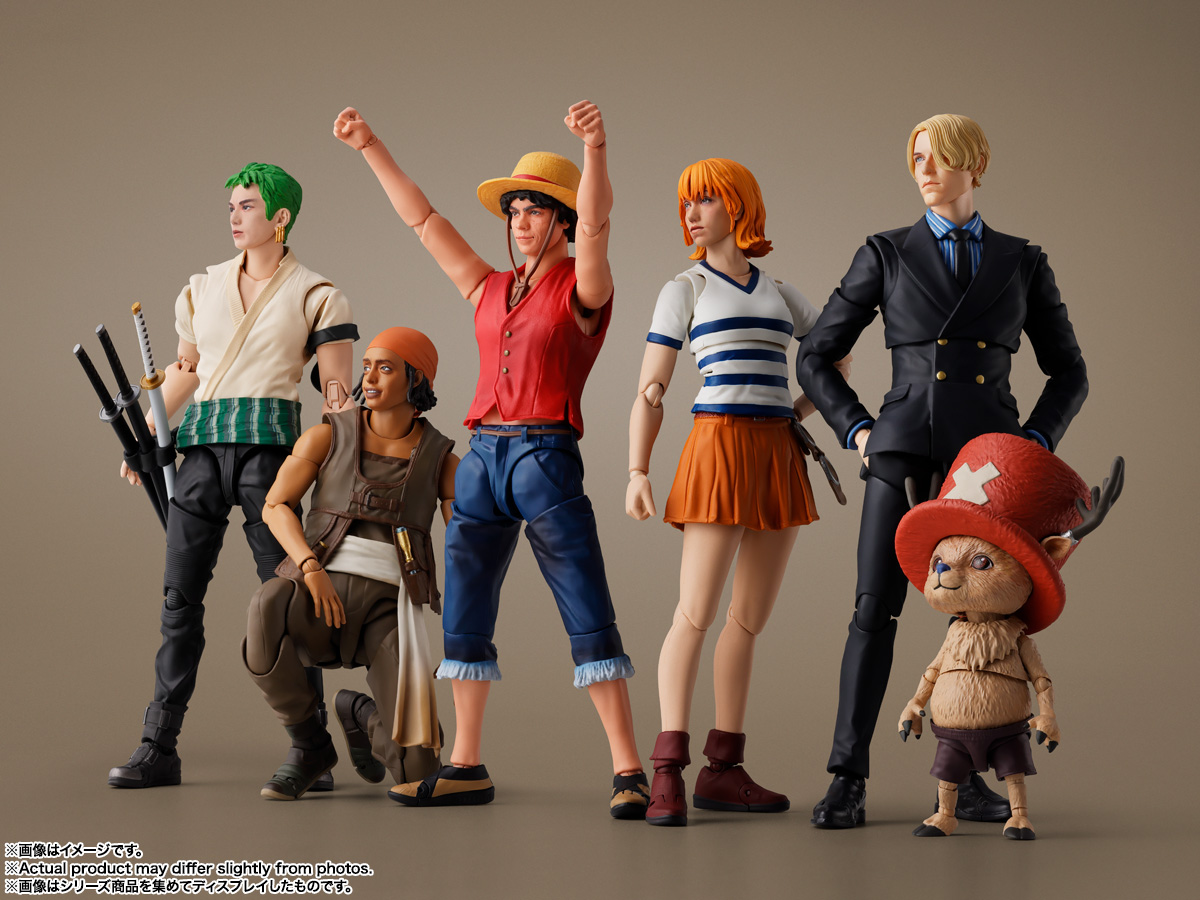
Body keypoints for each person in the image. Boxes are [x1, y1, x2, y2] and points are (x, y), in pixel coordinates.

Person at [332, 100, 647, 816]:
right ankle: (466, 762)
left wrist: (596, 150)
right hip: (481, 458)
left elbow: (598, 227)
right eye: (516, 210)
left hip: (545, 456)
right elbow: (423, 222)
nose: (522, 221)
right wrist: (370, 145)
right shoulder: (489, 286)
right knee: (466, 612)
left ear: (563, 219)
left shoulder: (583, 287)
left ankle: (628, 768)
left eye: (537, 209)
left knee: (586, 605)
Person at [796, 114, 1088, 828]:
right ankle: (846, 776)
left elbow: (1070, 372)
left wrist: (1030, 445)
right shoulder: (886, 251)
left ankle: (969, 776)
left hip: (984, 469)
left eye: (940, 157)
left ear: (975, 165)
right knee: (874, 610)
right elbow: (816, 353)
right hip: (900, 452)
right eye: (917, 157)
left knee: (980, 619)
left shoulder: (1022, 260)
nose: (925, 170)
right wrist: (857, 428)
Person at [108, 163, 357, 789]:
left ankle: (311, 748)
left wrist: (342, 462)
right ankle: (158, 745)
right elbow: (186, 372)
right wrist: (145, 435)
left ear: (281, 217)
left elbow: (336, 394)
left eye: (248, 206)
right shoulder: (202, 287)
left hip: (271, 456)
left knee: (286, 601)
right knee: (178, 600)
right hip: (199, 453)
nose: (236, 217)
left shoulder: (317, 294)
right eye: (232, 207)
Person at [627, 158, 843, 826]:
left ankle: (723, 769)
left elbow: (834, 352)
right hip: (717, 447)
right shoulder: (685, 288)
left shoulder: (780, 291)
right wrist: (637, 468)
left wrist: (797, 411)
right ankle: (667, 768)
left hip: (777, 454)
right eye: (686, 202)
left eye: (706, 200)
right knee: (693, 613)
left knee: (747, 619)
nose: (691, 213)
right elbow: (651, 388)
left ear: (739, 206)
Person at [244, 327, 457, 801]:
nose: (371, 378)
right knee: (266, 606)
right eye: (367, 366)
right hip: (318, 595)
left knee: (418, 772)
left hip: (389, 610)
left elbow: (465, 542)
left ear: (416, 380)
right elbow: (275, 506)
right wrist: (309, 568)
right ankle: (310, 746)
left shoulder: (442, 461)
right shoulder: (327, 436)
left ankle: (360, 713)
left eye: (386, 367)